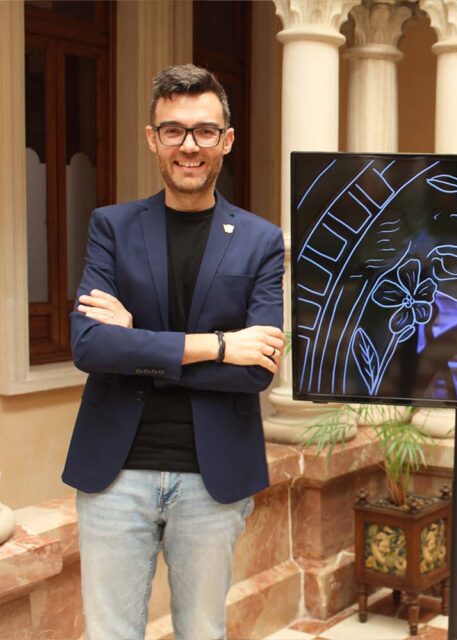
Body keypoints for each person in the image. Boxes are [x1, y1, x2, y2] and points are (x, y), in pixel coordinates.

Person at [62, 64, 285, 639]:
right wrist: (219, 346)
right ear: (152, 138)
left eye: (204, 131)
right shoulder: (112, 227)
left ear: (226, 140)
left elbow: (256, 372)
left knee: (203, 632)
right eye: (173, 131)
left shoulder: (261, 240)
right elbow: (89, 345)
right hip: (115, 474)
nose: (189, 146)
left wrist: (137, 342)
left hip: (212, 478)